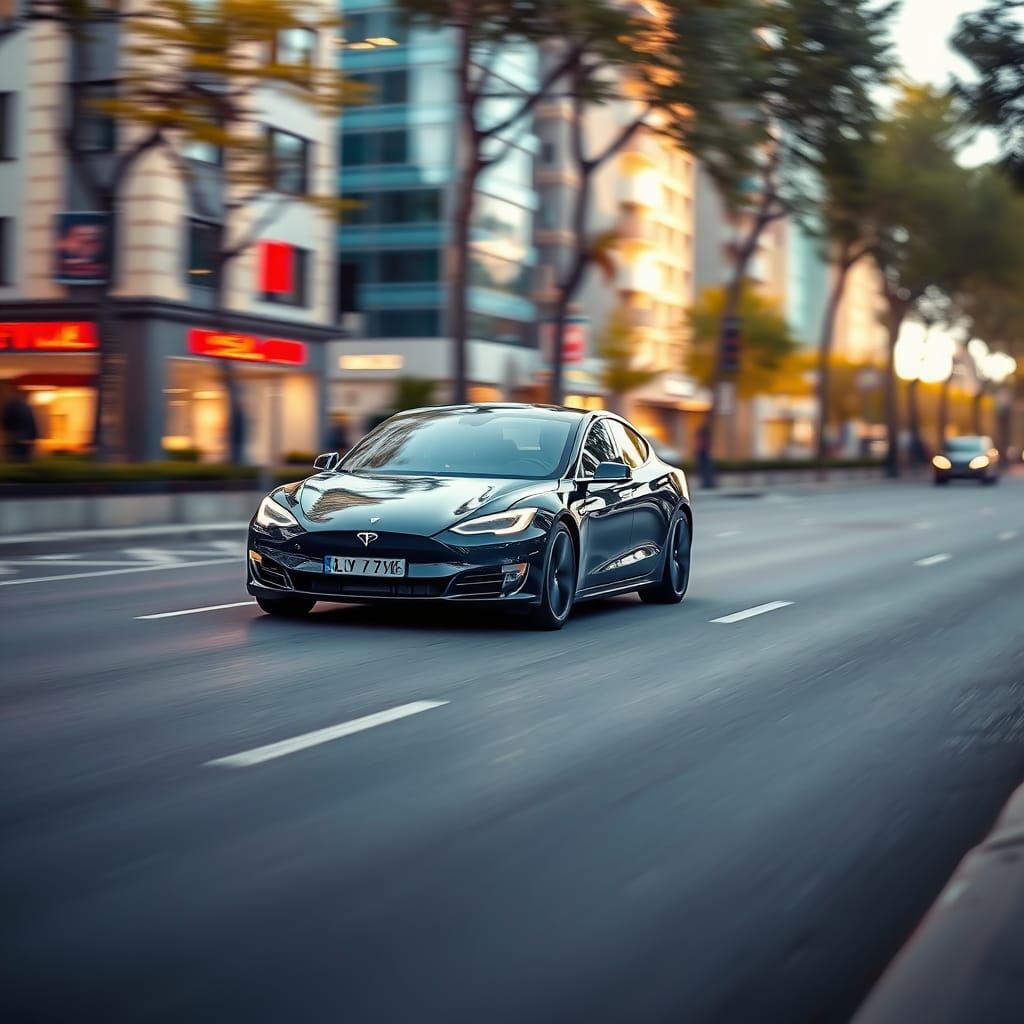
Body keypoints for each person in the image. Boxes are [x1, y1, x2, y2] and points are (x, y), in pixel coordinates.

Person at [2, 388, 40, 462]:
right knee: (20, 458)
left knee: (17, 458)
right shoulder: (24, 407)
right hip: (21, 438)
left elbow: (6, 422)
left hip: (17, 438)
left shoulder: (15, 406)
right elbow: (31, 423)